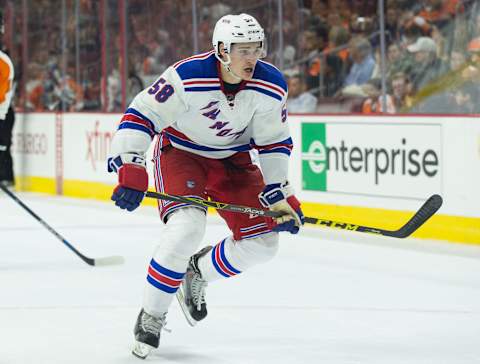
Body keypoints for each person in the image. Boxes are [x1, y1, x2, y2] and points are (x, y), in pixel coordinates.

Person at [107, 13, 304, 359]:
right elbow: (141, 115)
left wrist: (279, 193)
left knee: (264, 243)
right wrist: (131, 164)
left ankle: (198, 271)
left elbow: (273, 142)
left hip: (233, 161)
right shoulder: (187, 77)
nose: (252, 58)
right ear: (221, 50)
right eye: (242, 50)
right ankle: (152, 315)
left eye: (256, 48)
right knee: (187, 228)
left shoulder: (271, 84)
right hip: (182, 154)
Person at [0, 11, 15, 187]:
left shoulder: (3, 63)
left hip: (2, 116)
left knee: (4, 148)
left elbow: (1, 98)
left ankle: (6, 177)